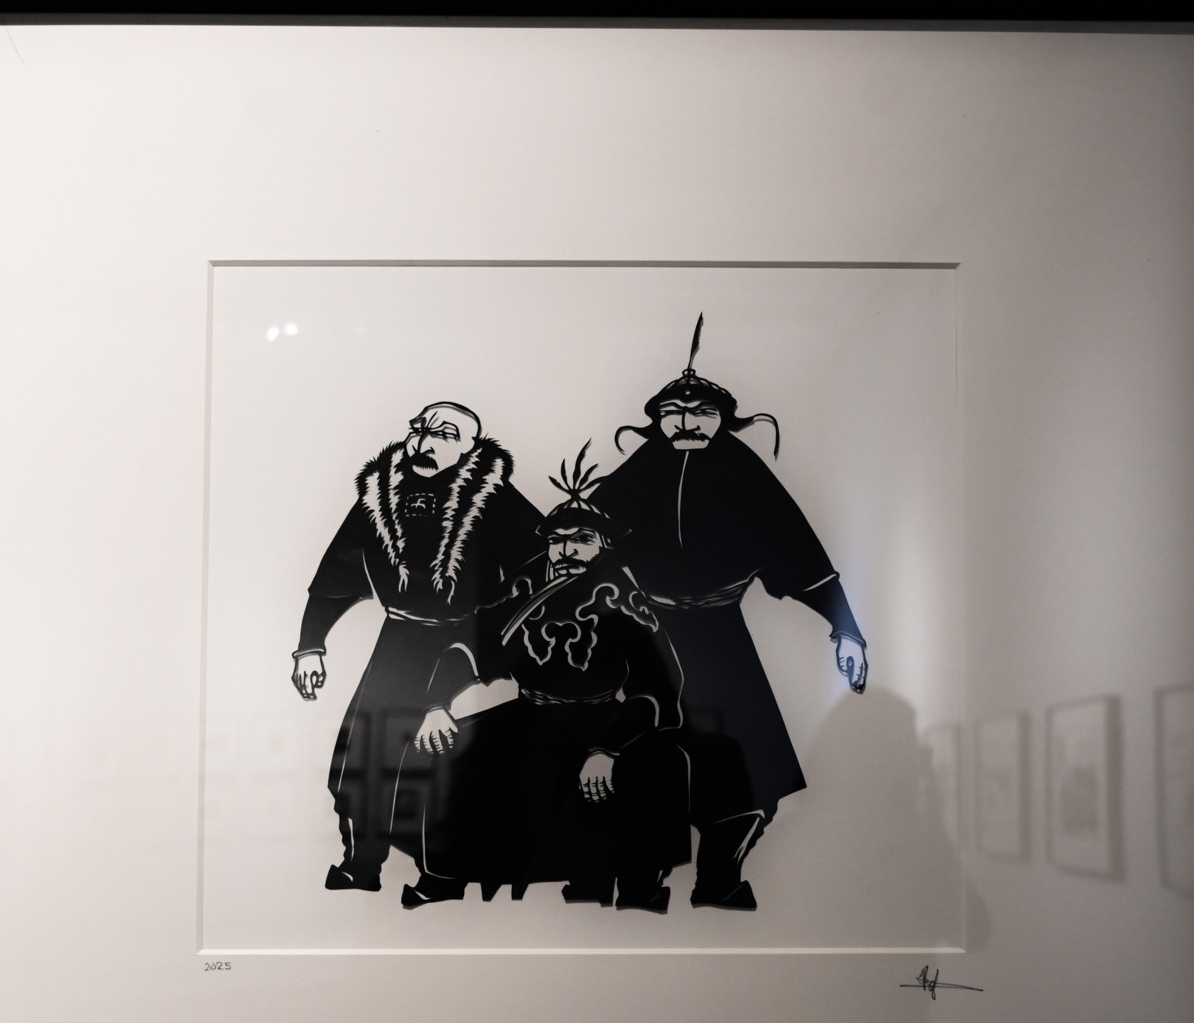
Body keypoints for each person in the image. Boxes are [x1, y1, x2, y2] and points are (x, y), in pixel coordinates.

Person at [588, 317, 867, 910]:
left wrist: (844, 627)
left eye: (702, 412)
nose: (686, 422)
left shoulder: (744, 473)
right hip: (649, 640)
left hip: (722, 641)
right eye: (673, 413)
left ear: (723, 418)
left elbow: (797, 552)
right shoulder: (638, 472)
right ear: (657, 419)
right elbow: (584, 542)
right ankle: (640, 884)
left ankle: (719, 878)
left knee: (746, 767)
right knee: (641, 757)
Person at [406, 446, 689, 913]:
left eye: (581, 540)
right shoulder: (522, 592)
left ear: (604, 546)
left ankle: (636, 889)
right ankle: (444, 878)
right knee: (458, 756)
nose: (566, 550)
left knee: (652, 768)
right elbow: (465, 647)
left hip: (606, 720)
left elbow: (653, 691)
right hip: (531, 711)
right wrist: (436, 705)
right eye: (557, 541)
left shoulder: (626, 603)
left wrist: (607, 748)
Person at [291, 402, 540, 893]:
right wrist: (310, 646)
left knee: (446, 760)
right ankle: (362, 865)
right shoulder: (381, 494)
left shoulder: (494, 496)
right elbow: (337, 572)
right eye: (420, 430)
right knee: (362, 757)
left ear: (470, 448)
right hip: (399, 641)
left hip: (470, 643)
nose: (425, 443)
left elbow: (534, 570)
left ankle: (442, 876)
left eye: (444, 434)